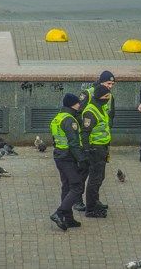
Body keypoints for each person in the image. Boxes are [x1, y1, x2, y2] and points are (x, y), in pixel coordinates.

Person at [74, 71, 115, 212]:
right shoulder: (88, 94)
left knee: (98, 176)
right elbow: (78, 114)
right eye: (108, 83)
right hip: (89, 143)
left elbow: (111, 115)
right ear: (101, 82)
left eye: (112, 84)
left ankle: (93, 201)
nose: (110, 87)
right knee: (83, 172)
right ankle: (77, 199)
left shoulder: (108, 95)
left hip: (101, 143)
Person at [49, 93, 88, 231]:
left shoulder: (57, 118)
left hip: (59, 155)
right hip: (68, 157)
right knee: (77, 186)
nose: (80, 105)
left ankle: (68, 218)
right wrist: (82, 160)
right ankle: (59, 213)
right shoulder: (69, 120)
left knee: (66, 186)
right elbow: (74, 143)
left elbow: (55, 139)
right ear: (73, 104)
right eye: (78, 103)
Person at [80, 85, 113, 218]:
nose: (108, 99)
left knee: (100, 177)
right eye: (106, 97)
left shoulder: (101, 107)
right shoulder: (90, 112)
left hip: (103, 147)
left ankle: (95, 201)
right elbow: (85, 134)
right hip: (95, 149)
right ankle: (91, 208)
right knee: (94, 179)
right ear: (99, 97)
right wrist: (87, 151)